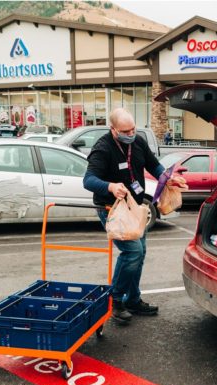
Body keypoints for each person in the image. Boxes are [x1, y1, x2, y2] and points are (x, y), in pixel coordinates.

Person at [83, 108, 175, 323]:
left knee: (140, 253)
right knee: (132, 251)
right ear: (113, 129)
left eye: (133, 129)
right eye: (125, 130)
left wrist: (167, 177)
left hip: (136, 206)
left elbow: (153, 164)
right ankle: (115, 300)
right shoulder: (103, 148)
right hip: (113, 209)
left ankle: (133, 299)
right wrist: (110, 186)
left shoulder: (138, 141)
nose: (131, 133)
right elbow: (88, 180)